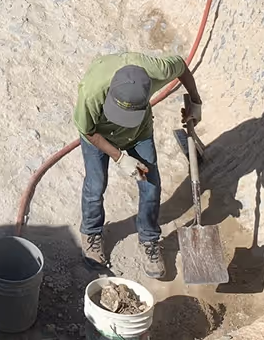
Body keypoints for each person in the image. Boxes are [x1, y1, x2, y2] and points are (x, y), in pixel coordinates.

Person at [74, 51, 201, 278]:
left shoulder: (156, 71)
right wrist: (119, 157)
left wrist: (195, 101)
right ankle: (91, 233)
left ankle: (149, 239)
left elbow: (181, 66)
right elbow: (88, 130)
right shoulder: (91, 92)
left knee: (151, 185)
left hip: (139, 134)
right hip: (98, 135)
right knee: (96, 184)